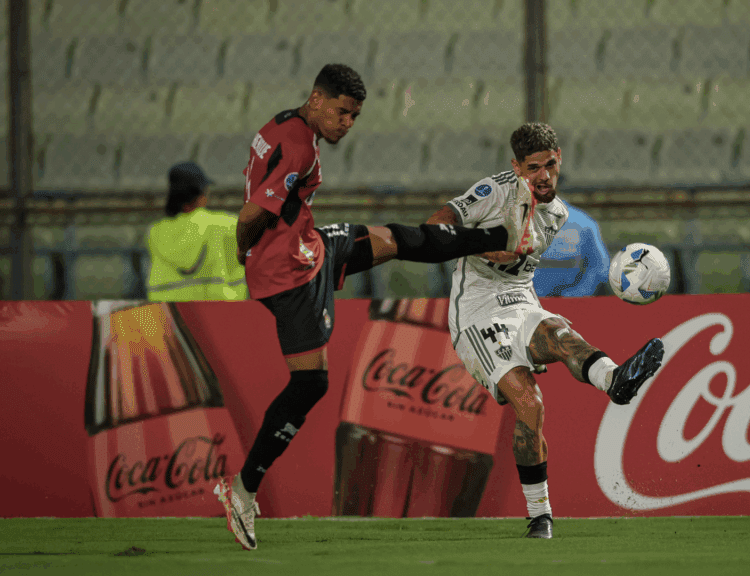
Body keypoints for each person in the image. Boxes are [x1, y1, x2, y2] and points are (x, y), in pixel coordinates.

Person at [214, 64, 535, 551]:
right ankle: (242, 490)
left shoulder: (281, 124)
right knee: (311, 382)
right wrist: (244, 251)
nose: (347, 123)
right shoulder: (299, 146)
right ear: (317, 100)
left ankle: (501, 235)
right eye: (342, 112)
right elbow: (251, 214)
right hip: (292, 276)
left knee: (396, 238)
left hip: (310, 248)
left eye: (355, 116)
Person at [425, 122, 665, 539]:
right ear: (516, 167)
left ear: (560, 160)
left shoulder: (558, 215)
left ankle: (615, 381)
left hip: (520, 298)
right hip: (477, 312)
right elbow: (435, 224)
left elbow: (518, 270)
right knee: (530, 405)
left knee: (558, 333)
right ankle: (541, 515)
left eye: (550, 165)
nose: (543, 176)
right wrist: (482, 246)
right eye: (532, 167)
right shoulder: (492, 191)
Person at [146, 161, 248, 301]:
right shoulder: (225, 224)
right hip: (217, 312)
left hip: (168, 313)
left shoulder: (155, 232)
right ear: (201, 193)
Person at [533, 198, 611, 297]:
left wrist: (578, 293)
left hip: (570, 303)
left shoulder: (583, 222)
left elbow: (600, 266)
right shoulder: (517, 220)